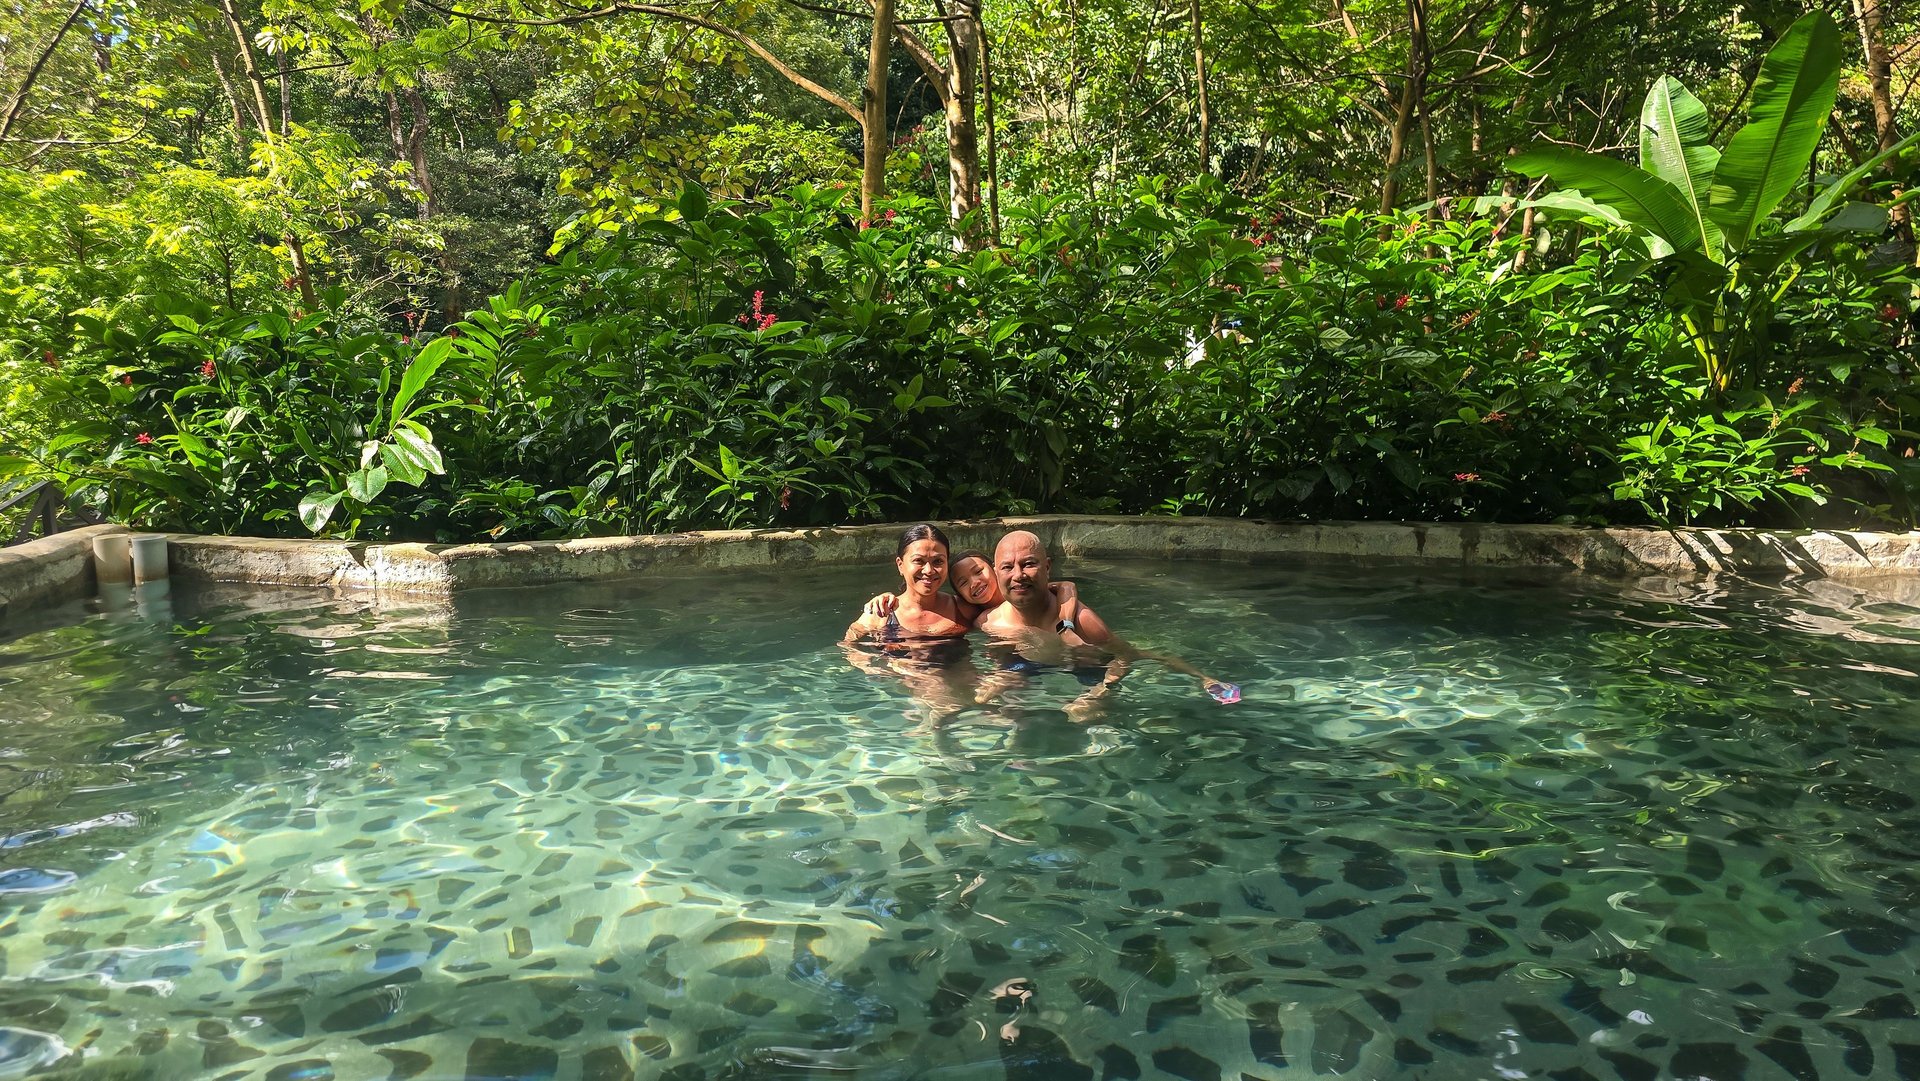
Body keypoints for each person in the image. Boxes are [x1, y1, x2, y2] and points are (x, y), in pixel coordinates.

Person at [973, 530, 1240, 721]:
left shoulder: (1082, 621)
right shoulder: (988, 622)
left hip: (1086, 668)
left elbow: (1127, 656)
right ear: (996, 572)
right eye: (1007, 567)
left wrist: (1100, 692)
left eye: (1029, 564)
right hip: (1032, 667)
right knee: (985, 703)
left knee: (1086, 719)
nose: (1018, 575)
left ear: (1047, 567)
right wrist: (1002, 676)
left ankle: (1206, 679)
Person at [842, 524, 977, 724]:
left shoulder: (962, 609)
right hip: (907, 694)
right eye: (919, 561)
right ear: (900, 565)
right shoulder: (882, 612)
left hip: (961, 686)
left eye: (938, 561)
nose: (929, 570)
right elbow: (848, 644)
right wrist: (874, 667)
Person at [863, 547, 1076, 624]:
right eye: (963, 582)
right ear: (961, 594)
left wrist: (1065, 623)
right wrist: (887, 598)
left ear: (995, 569)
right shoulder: (977, 615)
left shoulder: (1023, 592)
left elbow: (1064, 586)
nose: (975, 583)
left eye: (979, 571)